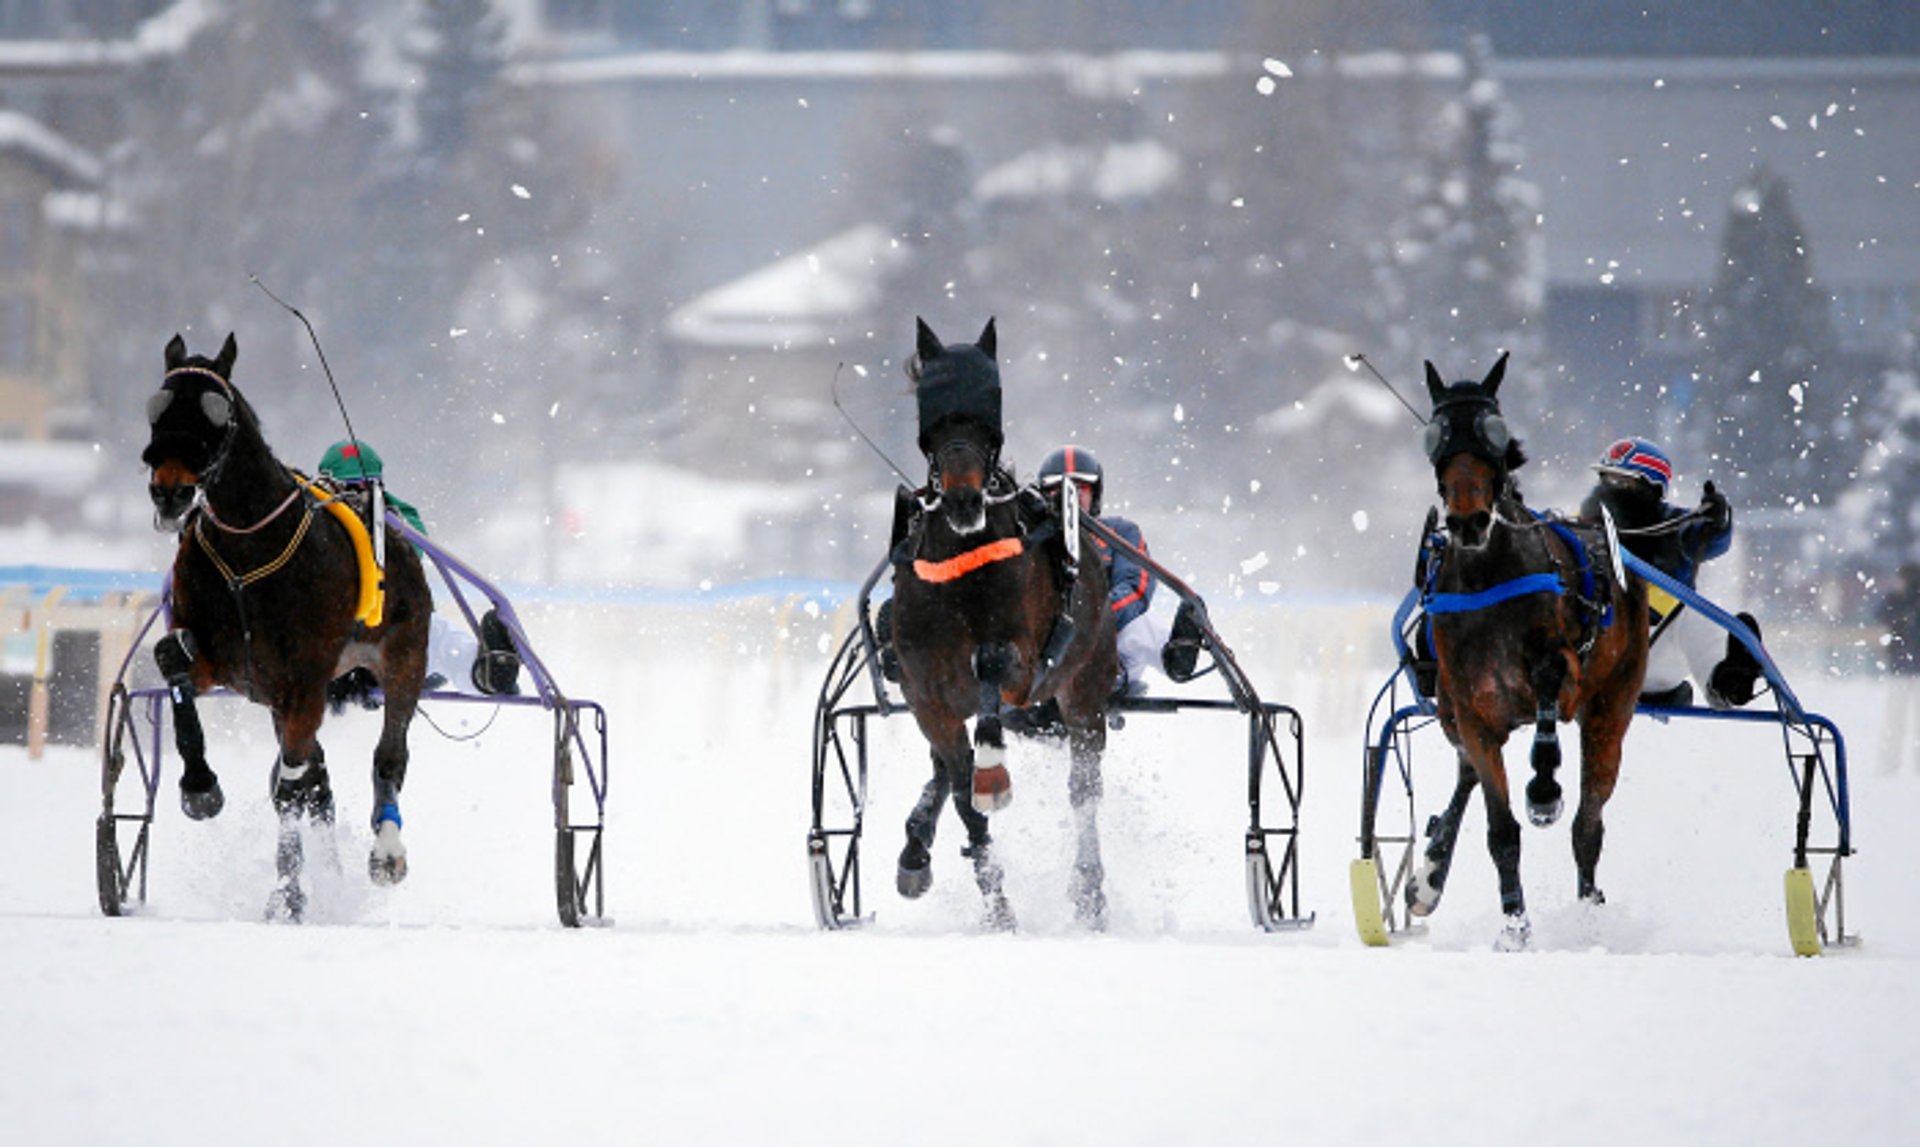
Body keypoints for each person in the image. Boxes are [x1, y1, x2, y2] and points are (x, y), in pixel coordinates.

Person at [316, 440, 521, 708]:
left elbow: (412, 546)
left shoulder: (395, 517)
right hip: (327, 646)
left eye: (368, 485)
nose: (360, 494)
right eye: (351, 487)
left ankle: (487, 672)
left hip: (394, 638)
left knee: (438, 636)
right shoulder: (308, 525)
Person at [1579, 436, 1763, 709]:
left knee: (1694, 613)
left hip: (1653, 650)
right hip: (1590, 650)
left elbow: (1711, 539)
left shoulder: (1673, 525)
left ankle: (1725, 681)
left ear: (1651, 489)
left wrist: (1718, 521)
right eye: (1606, 480)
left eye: (1622, 482)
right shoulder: (1578, 526)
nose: (1610, 491)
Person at [1875, 561, 1920, 774]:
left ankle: (1889, 765)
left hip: (1901, 667)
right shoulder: (1900, 601)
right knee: (1899, 720)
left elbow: (1881, 613)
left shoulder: (1898, 601)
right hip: (1904, 666)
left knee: (1895, 720)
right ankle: (1896, 765)